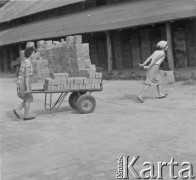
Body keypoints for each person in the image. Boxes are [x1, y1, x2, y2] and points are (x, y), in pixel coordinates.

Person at [13, 46, 36, 120]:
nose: (34, 54)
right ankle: (25, 115)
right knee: (28, 98)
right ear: (31, 53)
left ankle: (18, 110)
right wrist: (28, 88)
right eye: (33, 53)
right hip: (25, 81)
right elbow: (26, 76)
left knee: (27, 98)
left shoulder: (24, 61)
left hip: (22, 80)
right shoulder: (28, 62)